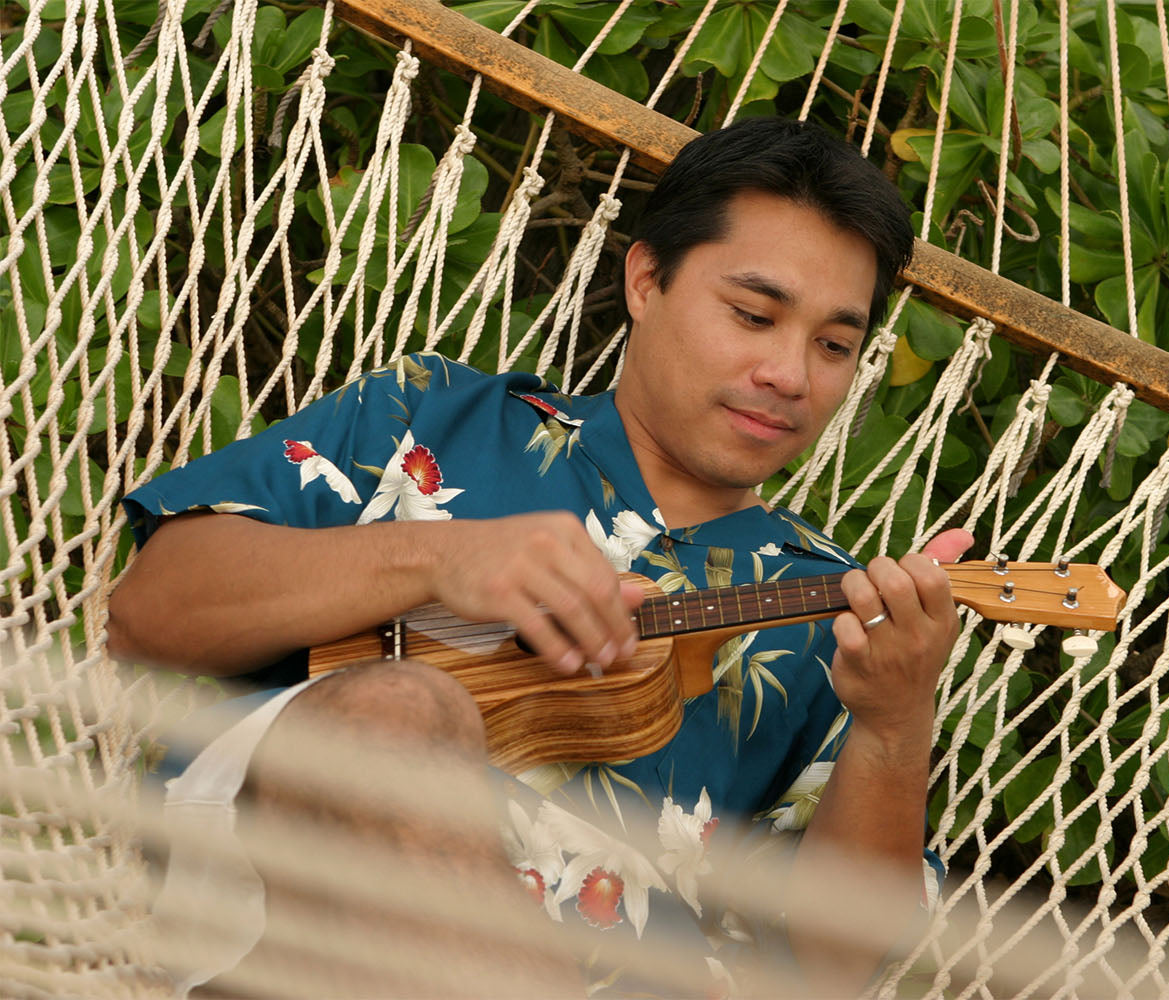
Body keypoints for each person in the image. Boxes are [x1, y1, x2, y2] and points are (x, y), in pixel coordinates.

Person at [108, 117, 972, 997]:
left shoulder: (837, 615)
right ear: (646, 280)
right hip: (283, 905)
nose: (791, 373)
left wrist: (896, 725)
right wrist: (432, 560)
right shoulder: (431, 417)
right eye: (754, 315)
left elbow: (836, 964)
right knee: (397, 709)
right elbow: (148, 613)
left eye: (834, 345)